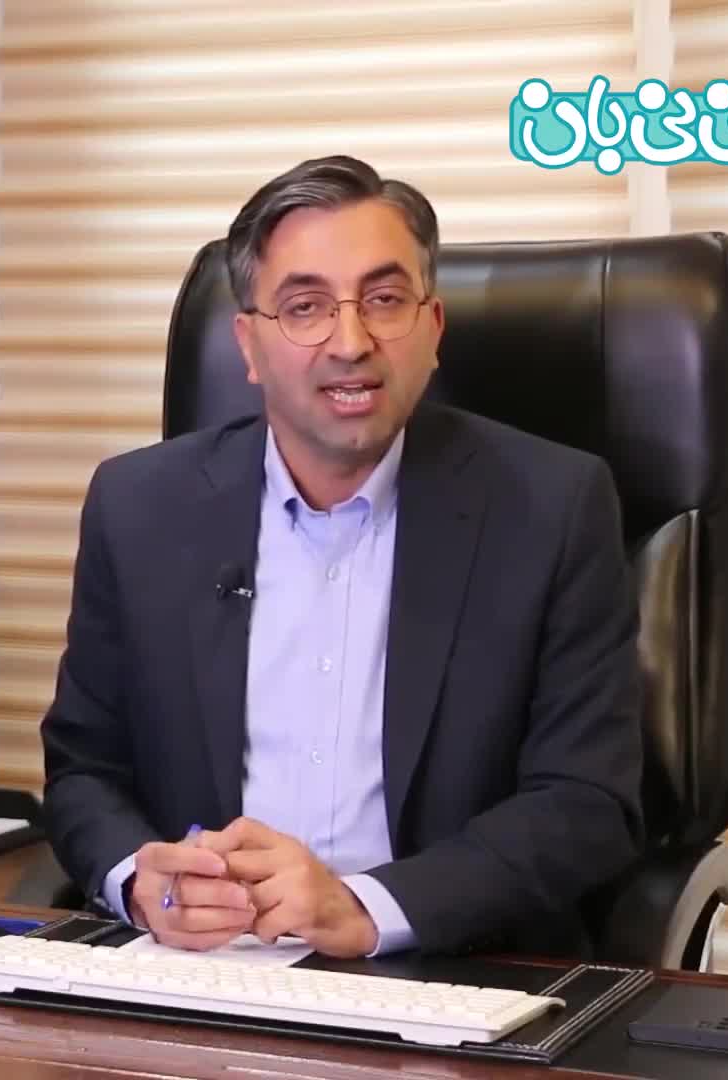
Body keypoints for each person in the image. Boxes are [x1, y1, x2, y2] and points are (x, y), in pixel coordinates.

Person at [39, 155, 644, 961]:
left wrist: (365, 908)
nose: (351, 343)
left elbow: (586, 800)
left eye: (385, 301)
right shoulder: (138, 507)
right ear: (248, 345)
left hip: (448, 969)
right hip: (204, 970)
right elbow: (83, 770)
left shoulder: (552, 508)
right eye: (305, 308)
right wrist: (138, 881)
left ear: (433, 328)